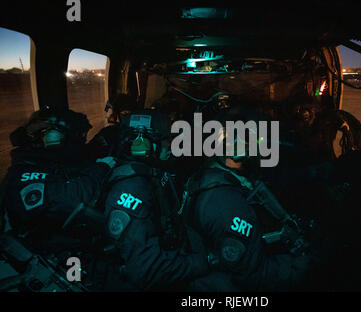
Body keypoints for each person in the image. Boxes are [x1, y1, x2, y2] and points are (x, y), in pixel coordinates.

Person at [181, 106, 316, 291]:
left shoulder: (212, 176)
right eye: (256, 138)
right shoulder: (226, 203)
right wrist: (300, 266)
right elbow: (252, 275)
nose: (262, 144)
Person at [0, 106, 116, 291]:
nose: (81, 143)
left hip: (71, 250)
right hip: (53, 258)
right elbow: (67, 200)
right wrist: (100, 169)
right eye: (78, 138)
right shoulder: (25, 173)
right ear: (55, 137)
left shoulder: (51, 163)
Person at [102, 108, 210, 291]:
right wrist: (205, 262)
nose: (172, 148)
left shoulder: (153, 175)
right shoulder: (133, 188)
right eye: (167, 142)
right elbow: (146, 269)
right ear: (144, 145)